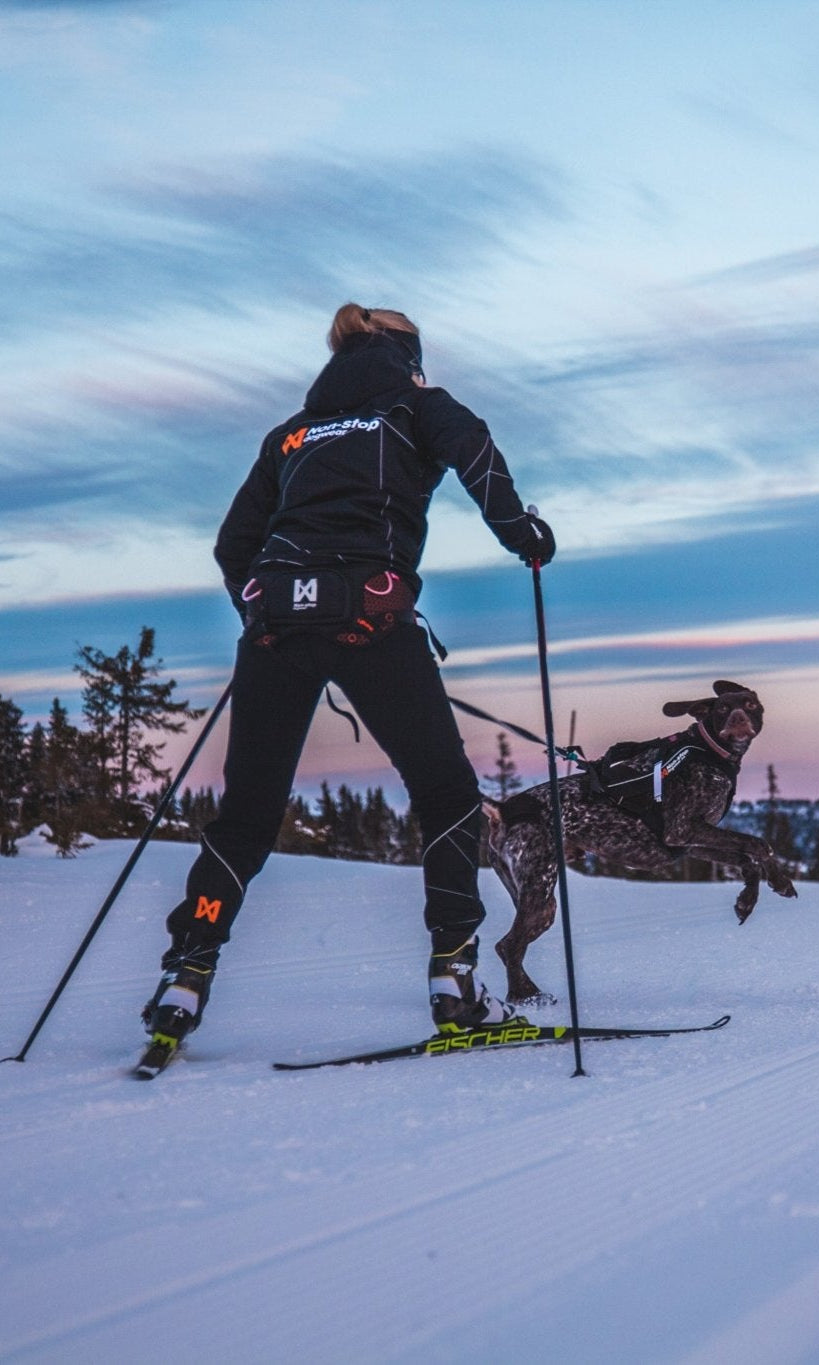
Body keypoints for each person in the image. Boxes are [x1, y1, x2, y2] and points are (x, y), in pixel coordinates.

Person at [141, 303, 555, 1054]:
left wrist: (264, 611)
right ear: (407, 355)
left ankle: (185, 973)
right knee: (448, 797)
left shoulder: (291, 434)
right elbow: (476, 452)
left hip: (276, 629)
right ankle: (453, 978)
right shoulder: (416, 406)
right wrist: (521, 532)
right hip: (369, 620)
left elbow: (234, 543)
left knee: (246, 817)